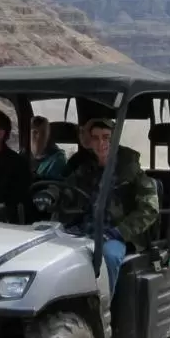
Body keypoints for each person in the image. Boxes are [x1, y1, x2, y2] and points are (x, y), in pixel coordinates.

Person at [57, 118, 160, 297]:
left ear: (115, 139)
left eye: (106, 137)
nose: (101, 143)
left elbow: (149, 209)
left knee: (108, 257)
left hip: (116, 234)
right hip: (85, 229)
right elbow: (66, 189)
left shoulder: (131, 171)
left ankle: (104, 310)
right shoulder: (86, 169)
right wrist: (52, 194)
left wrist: (119, 232)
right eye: (96, 138)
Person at [30, 115, 68, 180]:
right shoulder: (24, 154)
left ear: (48, 136)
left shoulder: (58, 160)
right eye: (34, 133)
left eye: (43, 133)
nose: (38, 137)